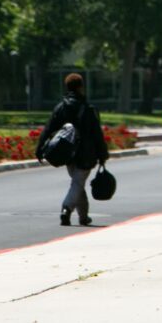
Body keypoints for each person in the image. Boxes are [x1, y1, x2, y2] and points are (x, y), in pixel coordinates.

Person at [36, 73, 109, 227]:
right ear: (81, 87)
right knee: (78, 183)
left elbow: (49, 128)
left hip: (67, 153)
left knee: (78, 183)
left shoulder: (61, 107)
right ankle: (66, 209)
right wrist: (103, 154)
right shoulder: (88, 109)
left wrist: (40, 148)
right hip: (86, 153)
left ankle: (84, 217)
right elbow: (97, 133)